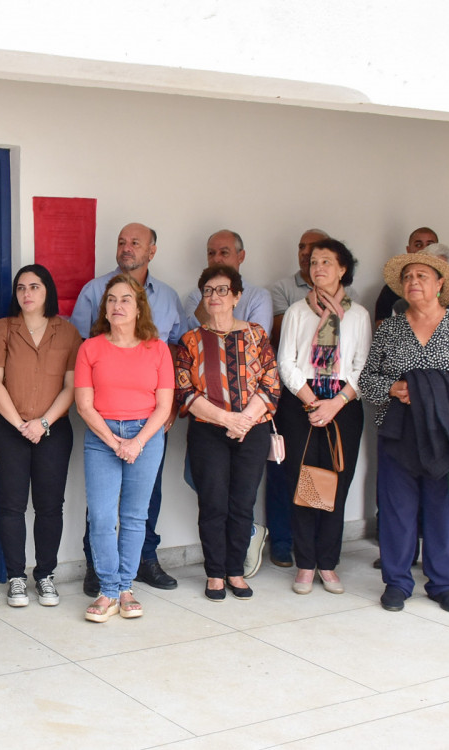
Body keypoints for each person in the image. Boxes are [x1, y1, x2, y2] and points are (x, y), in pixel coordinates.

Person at [359, 252, 449, 615]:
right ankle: (397, 582)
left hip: (445, 433)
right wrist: (396, 388)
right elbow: (368, 379)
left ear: (440, 284)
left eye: (422, 275)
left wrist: (429, 390)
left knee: (441, 511)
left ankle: (443, 584)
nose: (414, 281)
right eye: (409, 276)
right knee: (397, 510)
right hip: (399, 433)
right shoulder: (390, 329)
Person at [71, 223, 184, 596]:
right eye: (112, 300)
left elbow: (164, 403)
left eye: (125, 300)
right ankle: (107, 587)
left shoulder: (158, 349)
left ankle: (125, 588)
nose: (117, 306)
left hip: (147, 436)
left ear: (139, 308)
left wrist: (136, 442)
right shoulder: (90, 347)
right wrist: (116, 441)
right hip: (103, 435)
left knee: (136, 517)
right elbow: (84, 405)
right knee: (102, 517)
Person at [176, 265, 280, 601]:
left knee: (242, 503)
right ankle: (215, 573)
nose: (214, 296)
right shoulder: (190, 341)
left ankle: (236, 570)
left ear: (236, 296)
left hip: (253, 430)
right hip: (208, 432)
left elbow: (271, 382)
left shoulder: (256, 335)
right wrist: (226, 419)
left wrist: (245, 420)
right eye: (208, 291)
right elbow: (186, 392)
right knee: (213, 502)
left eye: (222, 290)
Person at [0, 264, 82, 607]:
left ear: (47, 291)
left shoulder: (67, 333)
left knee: (50, 507)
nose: (27, 293)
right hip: (10, 431)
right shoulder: (2, 330)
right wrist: (20, 423)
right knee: (10, 506)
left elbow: (72, 387)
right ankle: (16, 578)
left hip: (53, 431)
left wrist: (42, 423)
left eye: (34, 287)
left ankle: (45, 575)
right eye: (21, 288)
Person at [276, 240, 371, 595]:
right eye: (314, 262)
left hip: (343, 406)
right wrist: (313, 400)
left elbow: (362, 366)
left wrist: (335, 403)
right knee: (304, 483)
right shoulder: (298, 313)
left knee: (336, 481)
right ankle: (305, 564)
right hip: (303, 403)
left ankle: (328, 564)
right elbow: (286, 362)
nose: (318, 268)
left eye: (327, 262)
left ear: (343, 269)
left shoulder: (358, 315)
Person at [184, 230, 274, 335]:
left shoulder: (258, 297)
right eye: (211, 253)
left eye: (224, 253)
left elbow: (257, 340)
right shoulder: (195, 296)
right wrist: (208, 296)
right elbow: (190, 338)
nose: (216, 259)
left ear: (241, 256)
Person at [373, 227, 439, 324]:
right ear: (408, 249)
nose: (424, 249)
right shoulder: (390, 290)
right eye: (418, 245)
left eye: (430, 245)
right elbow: (382, 328)